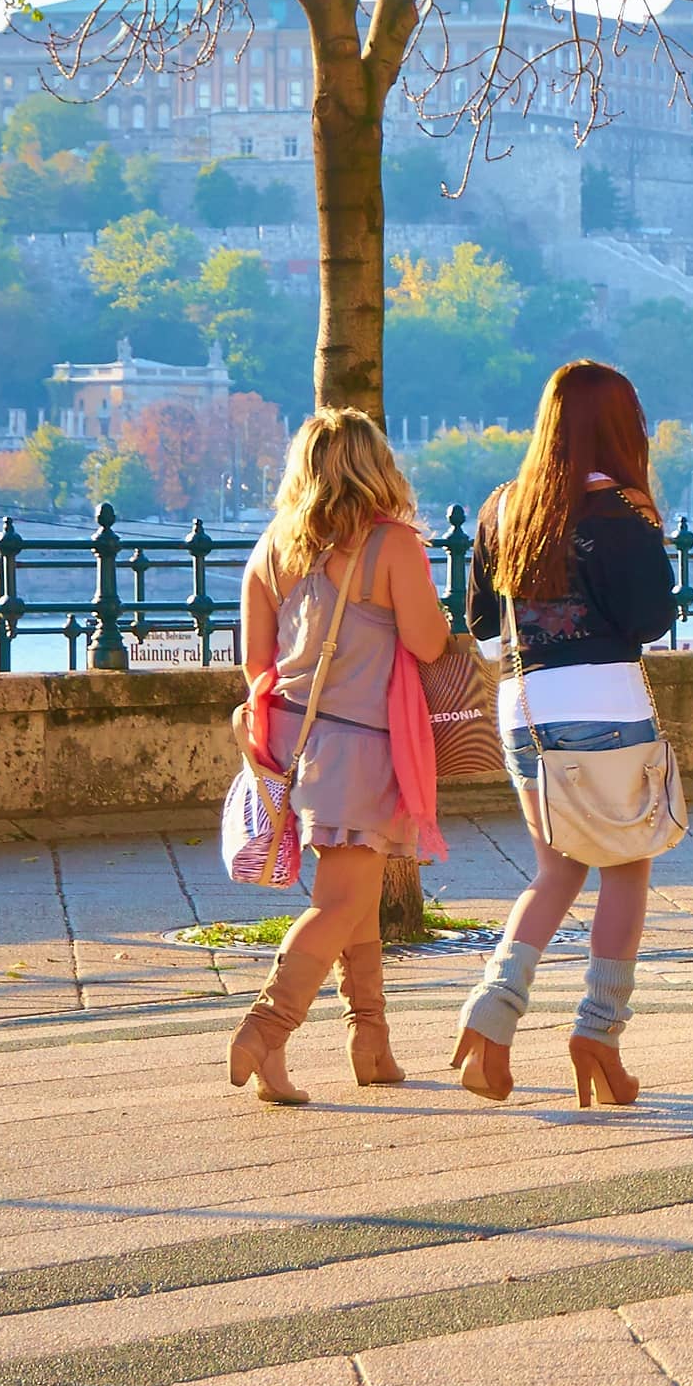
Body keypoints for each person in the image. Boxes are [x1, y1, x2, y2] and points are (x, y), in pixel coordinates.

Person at [451, 361, 680, 1108]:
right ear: (620, 427)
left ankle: (492, 1016)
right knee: (626, 866)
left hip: (524, 706)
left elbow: (483, 624)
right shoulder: (621, 513)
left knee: (556, 872)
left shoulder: (502, 509)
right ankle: (599, 1031)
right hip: (605, 703)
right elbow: (650, 620)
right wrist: (649, 524)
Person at [224, 409, 457, 1106]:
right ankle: (265, 1026)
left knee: (354, 896)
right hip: (359, 744)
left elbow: (255, 665)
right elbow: (427, 643)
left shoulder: (271, 549)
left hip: (291, 745)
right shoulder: (392, 547)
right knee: (343, 900)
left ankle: (372, 1042)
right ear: (374, 466)